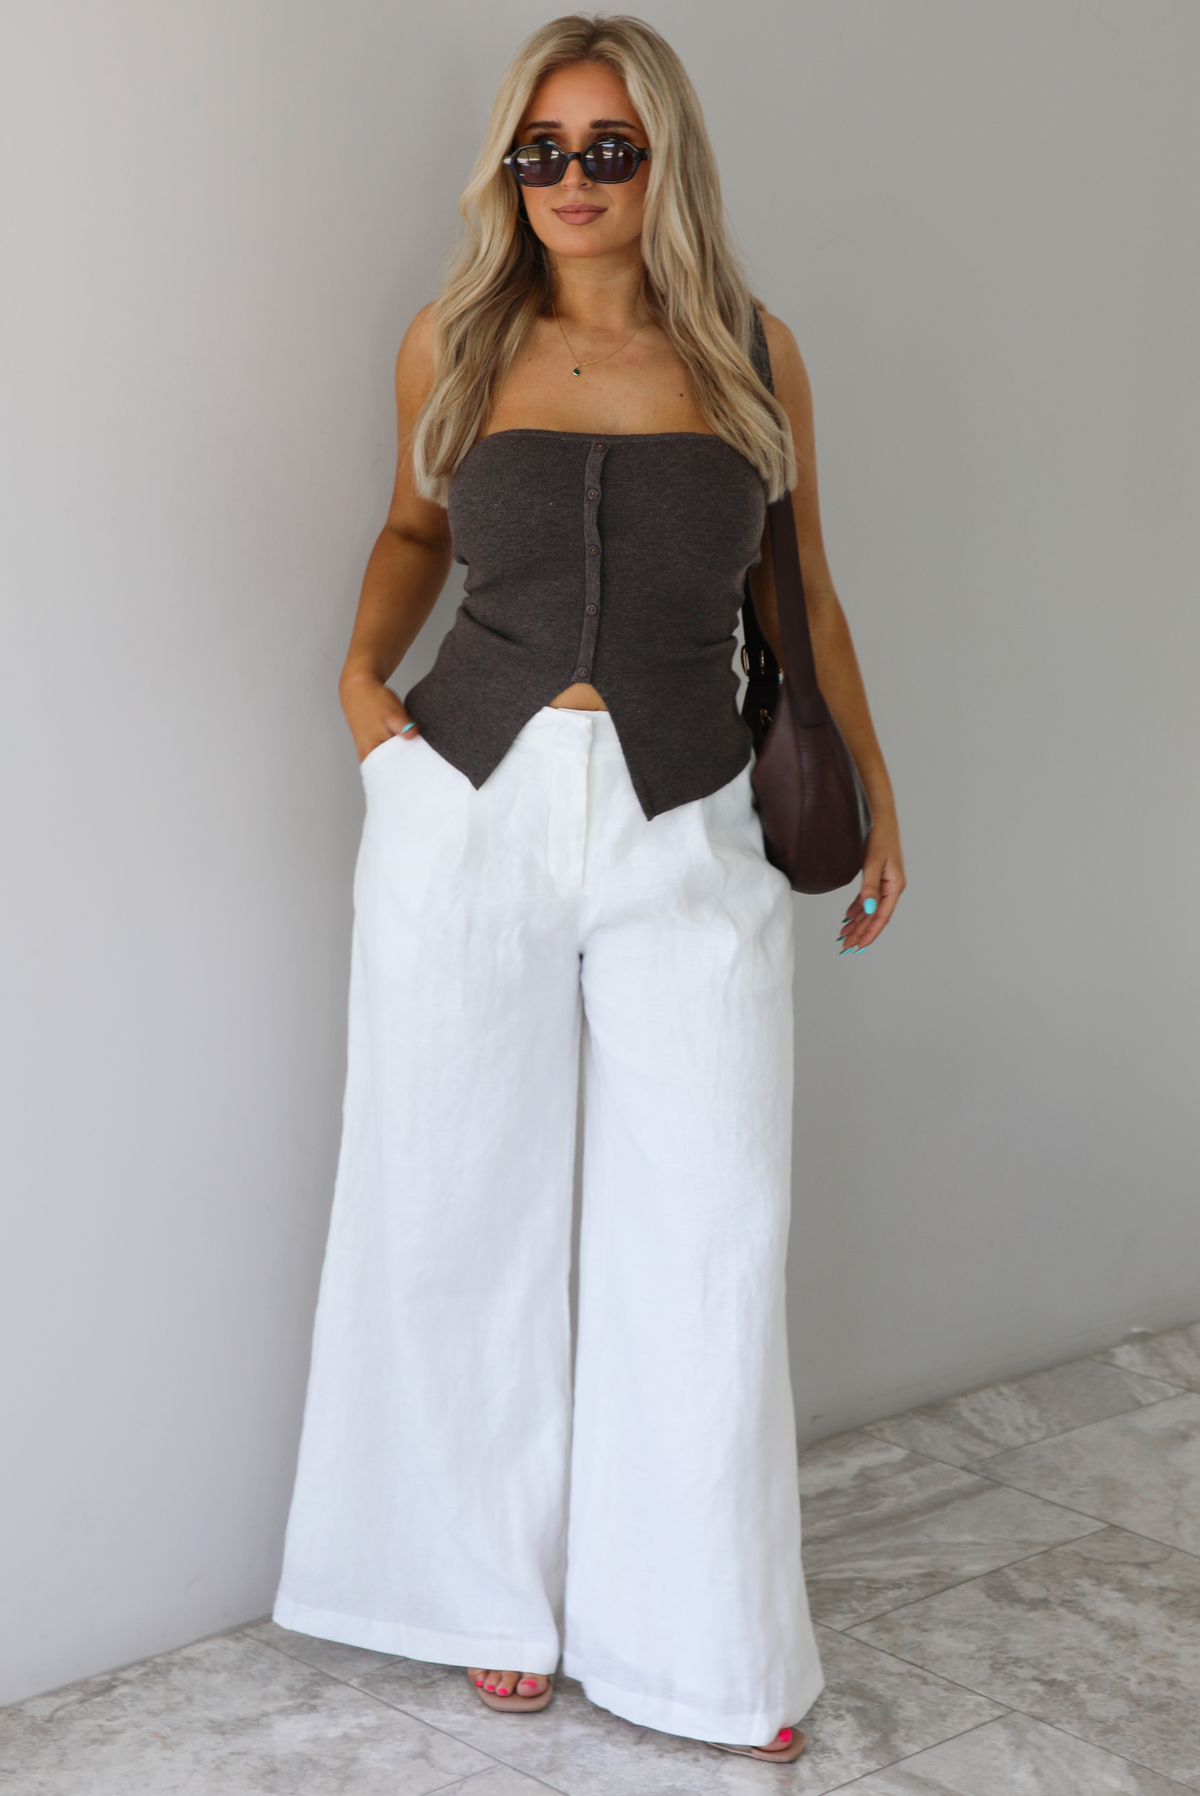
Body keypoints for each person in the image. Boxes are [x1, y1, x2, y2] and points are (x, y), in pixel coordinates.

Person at [272, 11, 904, 1765]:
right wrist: (361, 710)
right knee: (451, 1201)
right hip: (463, 800)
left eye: (605, 149)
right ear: (509, 171)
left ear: (664, 163)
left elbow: (807, 602)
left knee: (705, 1233)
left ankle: (699, 1649)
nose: (568, 181)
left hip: (686, 813)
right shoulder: (453, 342)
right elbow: (411, 542)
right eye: (539, 151)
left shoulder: (754, 353)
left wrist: (879, 781)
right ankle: (481, 1592)